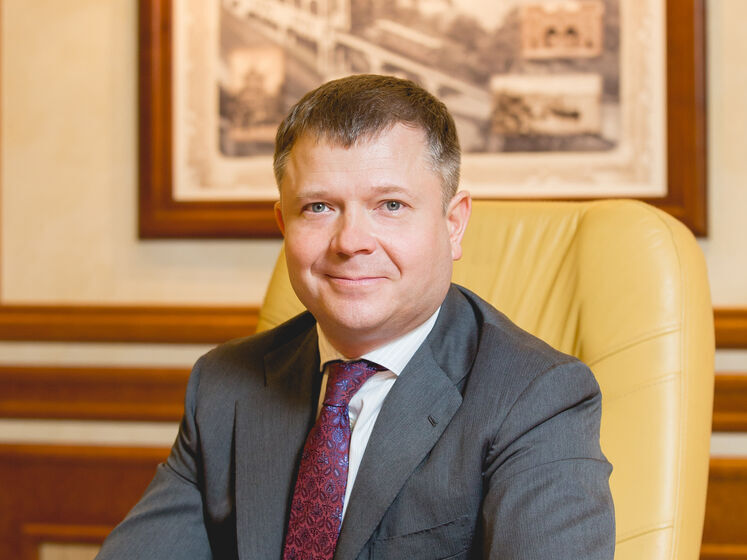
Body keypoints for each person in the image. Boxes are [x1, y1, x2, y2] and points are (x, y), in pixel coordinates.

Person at [96, 74, 614, 559]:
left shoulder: (537, 398)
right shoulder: (223, 384)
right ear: (284, 225)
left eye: (390, 205)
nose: (351, 242)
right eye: (318, 207)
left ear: (453, 224)